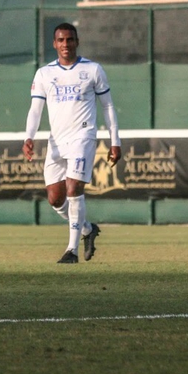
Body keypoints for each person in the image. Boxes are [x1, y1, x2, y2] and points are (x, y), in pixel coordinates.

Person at [23, 22, 121, 264]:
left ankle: (71, 251)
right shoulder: (44, 73)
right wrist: (29, 136)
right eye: (61, 40)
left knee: (73, 187)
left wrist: (115, 141)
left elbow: (107, 106)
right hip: (56, 141)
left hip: (83, 136)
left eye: (70, 39)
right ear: (54, 44)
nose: (65, 44)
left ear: (77, 42)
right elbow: (35, 110)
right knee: (55, 198)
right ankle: (87, 229)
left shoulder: (93, 69)